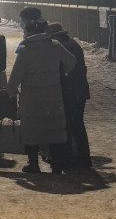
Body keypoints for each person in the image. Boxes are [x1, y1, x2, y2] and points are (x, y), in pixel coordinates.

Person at [7, 19, 76, 174]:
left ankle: (33, 164)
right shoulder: (55, 46)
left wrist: (12, 91)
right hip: (53, 97)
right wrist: (62, 72)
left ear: (29, 32)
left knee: (32, 132)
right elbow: (71, 61)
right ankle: (57, 165)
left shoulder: (25, 50)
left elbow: (15, 78)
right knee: (54, 130)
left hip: (32, 100)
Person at [46, 22, 92, 168]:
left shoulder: (62, 47)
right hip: (79, 91)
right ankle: (83, 158)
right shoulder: (72, 43)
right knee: (77, 124)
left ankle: (70, 159)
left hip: (70, 91)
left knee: (69, 124)